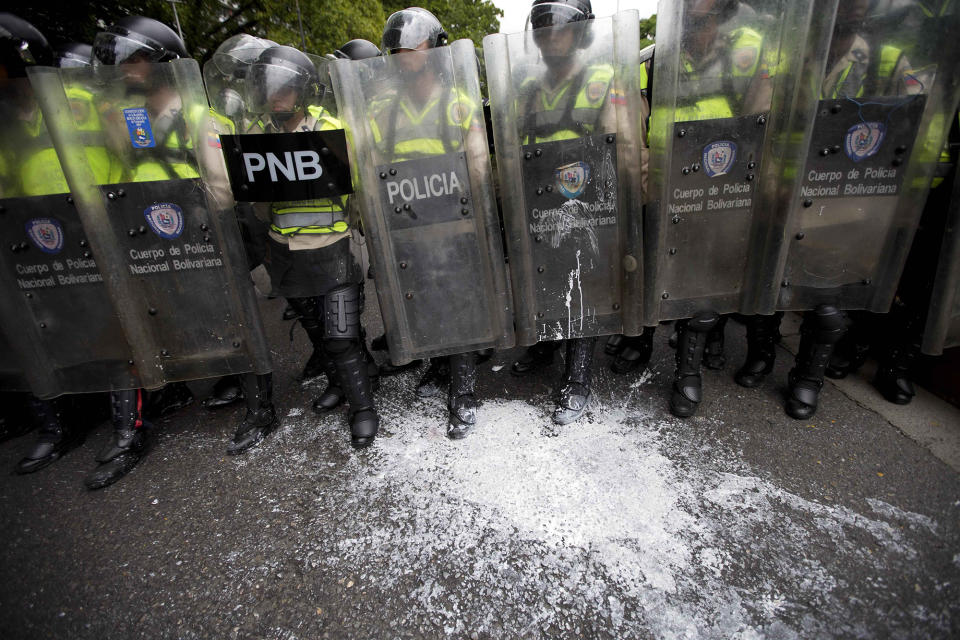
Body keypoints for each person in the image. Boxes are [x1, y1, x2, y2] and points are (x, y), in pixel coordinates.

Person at [246, 44, 378, 447]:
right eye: (270, 88)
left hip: (334, 248)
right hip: (285, 254)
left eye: (285, 88)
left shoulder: (329, 129)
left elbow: (359, 187)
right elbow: (255, 202)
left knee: (342, 335)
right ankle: (339, 386)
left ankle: (363, 407)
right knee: (319, 334)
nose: (277, 96)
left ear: (302, 91)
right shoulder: (255, 134)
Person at [371, 8, 490, 437]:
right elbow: (375, 166)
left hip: (453, 222)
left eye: (414, 47)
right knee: (424, 300)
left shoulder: (457, 103)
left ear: (436, 49)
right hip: (409, 224)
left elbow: (478, 166)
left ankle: (464, 392)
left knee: (458, 302)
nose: (404, 56)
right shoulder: (384, 109)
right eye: (397, 49)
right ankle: (439, 368)